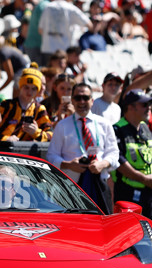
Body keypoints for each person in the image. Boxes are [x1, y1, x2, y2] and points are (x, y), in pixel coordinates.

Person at [47, 82, 119, 214]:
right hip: (71, 188)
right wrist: (68, 164)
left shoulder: (104, 124)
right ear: (72, 101)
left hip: (99, 185)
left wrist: (102, 164)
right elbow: (51, 156)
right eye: (77, 98)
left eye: (85, 98)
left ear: (92, 100)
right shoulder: (62, 125)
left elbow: (114, 153)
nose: (82, 102)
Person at [112, 91, 152, 220]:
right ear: (130, 107)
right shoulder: (117, 129)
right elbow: (119, 161)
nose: (149, 108)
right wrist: (143, 178)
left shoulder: (145, 128)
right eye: (144, 105)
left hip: (149, 193)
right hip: (128, 193)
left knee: (149, 233)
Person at [0, 64, 52, 142]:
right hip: (2, 150)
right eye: (26, 87)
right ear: (20, 86)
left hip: (24, 153)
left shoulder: (39, 109)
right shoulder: (7, 105)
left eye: (34, 89)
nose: (29, 92)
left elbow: (50, 135)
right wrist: (6, 139)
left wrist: (36, 132)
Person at [38, 0, 92, 66]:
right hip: (63, 51)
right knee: (61, 76)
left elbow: (40, 30)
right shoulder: (71, 8)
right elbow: (89, 24)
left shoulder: (48, 7)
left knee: (47, 74)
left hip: (48, 48)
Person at [23, 0, 59, 65]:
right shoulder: (46, 6)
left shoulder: (45, 4)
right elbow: (45, 28)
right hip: (36, 46)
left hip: (37, 45)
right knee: (39, 72)